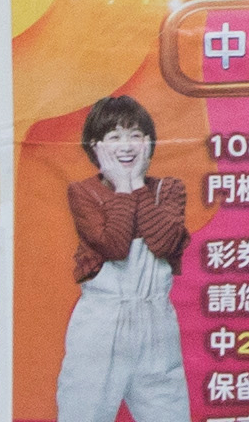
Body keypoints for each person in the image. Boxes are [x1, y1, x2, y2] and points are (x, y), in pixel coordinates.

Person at [53, 93, 192, 422]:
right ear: (96, 146)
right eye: (114, 137)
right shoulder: (83, 193)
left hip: (156, 320)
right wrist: (123, 187)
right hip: (102, 321)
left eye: (135, 135)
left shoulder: (169, 189)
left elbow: (163, 242)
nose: (126, 146)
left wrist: (135, 184)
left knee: (167, 408)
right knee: (83, 410)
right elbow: (113, 246)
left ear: (149, 142)